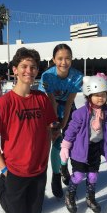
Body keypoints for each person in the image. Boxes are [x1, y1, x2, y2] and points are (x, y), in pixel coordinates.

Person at [0, 47, 58, 213]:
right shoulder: (4, 103)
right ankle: (0, 187)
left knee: (35, 212)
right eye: (24, 66)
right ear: (15, 70)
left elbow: (51, 124)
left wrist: (57, 129)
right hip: (15, 170)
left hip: (39, 168)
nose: (29, 71)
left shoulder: (42, 99)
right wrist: (4, 169)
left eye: (33, 67)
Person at [59, 74, 107, 213]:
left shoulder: (105, 113)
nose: (100, 98)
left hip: (95, 149)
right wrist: (65, 146)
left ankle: (90, 198)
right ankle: (70, 195)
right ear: (88, 95)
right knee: (78, 175)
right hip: (80, 150)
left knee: (93, 176)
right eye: (96, 94)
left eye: (103, 94)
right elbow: (71, 130)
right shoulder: (81, 113)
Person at [38, 43, 83, 198]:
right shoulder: (47, 76)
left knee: (70, 141)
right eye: (60, 58)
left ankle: (64, 167)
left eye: (68, 58)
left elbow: (70, 101)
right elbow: (52, 102)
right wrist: (56, 124)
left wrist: (65, 122)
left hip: (69, 108)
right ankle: (56, 176)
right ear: (53, 60)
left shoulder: (77, 76)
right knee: (57, 141)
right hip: (51, 107)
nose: (64, 62)